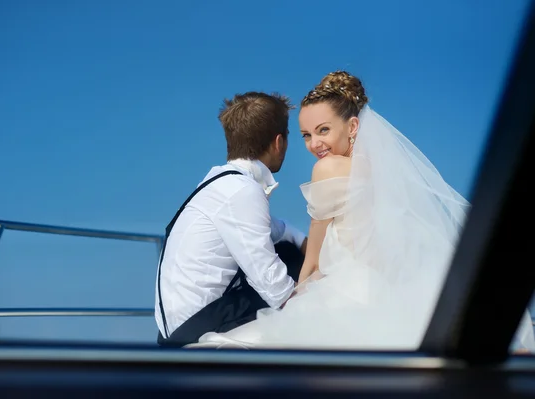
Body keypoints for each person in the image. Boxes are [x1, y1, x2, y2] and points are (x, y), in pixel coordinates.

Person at [187, 71, 535, 352]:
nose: (313, 144)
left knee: (227, 352)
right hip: (381, 289)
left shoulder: (327, 170)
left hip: (343, 290)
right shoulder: (381, 172)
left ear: (352, 127)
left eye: (323, 130)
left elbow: (315, 260)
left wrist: (293, 300)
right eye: (306, 135)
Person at [154, 91, 308, 348]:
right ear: (279, 142)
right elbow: (270, 280)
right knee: (292, 261)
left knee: (290, 250)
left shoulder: (222, 183)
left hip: (180, 323)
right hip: (193, 327)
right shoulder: (242, 190)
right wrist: (320, 306)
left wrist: (318, 251)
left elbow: (278, 230)